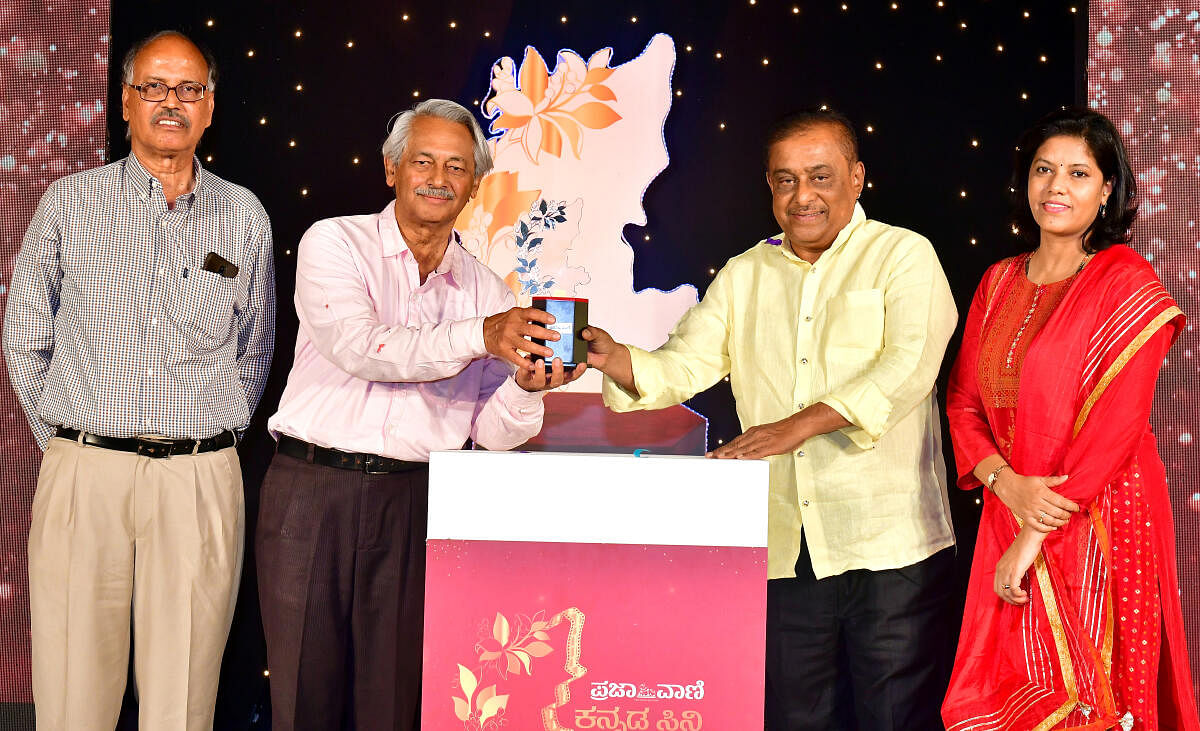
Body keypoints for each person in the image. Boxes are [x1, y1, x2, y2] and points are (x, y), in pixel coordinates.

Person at [583, 110, 958, 730]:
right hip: (786, 550)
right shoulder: (744, 273)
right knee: (793, 718)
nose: (802, 196)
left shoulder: (902, 255)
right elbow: (684, 364)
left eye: (820, 176)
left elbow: (909, 367)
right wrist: (616, 359)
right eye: (785, 181)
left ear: (857, 177)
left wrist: (797, 425)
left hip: (892, 547)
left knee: (895, 719)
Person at [256, 98, 582, 731]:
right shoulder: (334, 242)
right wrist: (481, 336)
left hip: (416, 501)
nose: (438, 178)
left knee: (397, 699)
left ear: (476, 186)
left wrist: (530, 386)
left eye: (456, 167)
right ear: (391, 171)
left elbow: (489, 432)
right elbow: (363, 347)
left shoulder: (489, 290)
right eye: (423, 161)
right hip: (310, 491)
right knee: (302, 695)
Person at [2, 30, 274, 731]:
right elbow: (26, 334)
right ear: (126, 100)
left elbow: (255, 348)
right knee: (69, 693)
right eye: (154, 87)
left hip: (196, 478)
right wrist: (70, 444)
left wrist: (209, 440)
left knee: (182, 703)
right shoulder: (70, 203)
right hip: (85, 473)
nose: (171, 103)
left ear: (211, 107)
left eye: (189, 90)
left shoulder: (241, 214)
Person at [942, 108, 1200, 731]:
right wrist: (1009, 487)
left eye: (1078, 173)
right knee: (1011, 689)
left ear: (1107, 189)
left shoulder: (1125, 282)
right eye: (1044, 171)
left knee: (1094, 695)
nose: (1057, 187)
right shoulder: (998, 281)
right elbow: (963, 403)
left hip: (1101, 512)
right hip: (1013, 502)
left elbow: (1116, 428)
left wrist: (1034, 530)